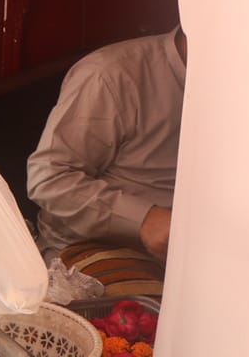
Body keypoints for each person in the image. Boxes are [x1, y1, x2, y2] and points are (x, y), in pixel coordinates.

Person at [27, 27, 187, 296]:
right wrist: (144, 219)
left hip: (198, 252)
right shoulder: (111, 74)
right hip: (96, 250)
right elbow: (48, 179)